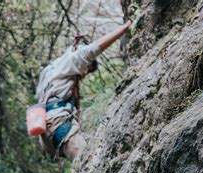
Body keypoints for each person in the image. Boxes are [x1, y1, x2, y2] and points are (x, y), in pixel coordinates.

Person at [36, 20, 132, 160]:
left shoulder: (51, 70)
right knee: (89, 164)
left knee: (91, 157)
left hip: (48, 133)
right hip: (59, 125)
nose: (86, 73)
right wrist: (124, 28)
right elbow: (90, 51)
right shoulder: (70, 63)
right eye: (88, 69)